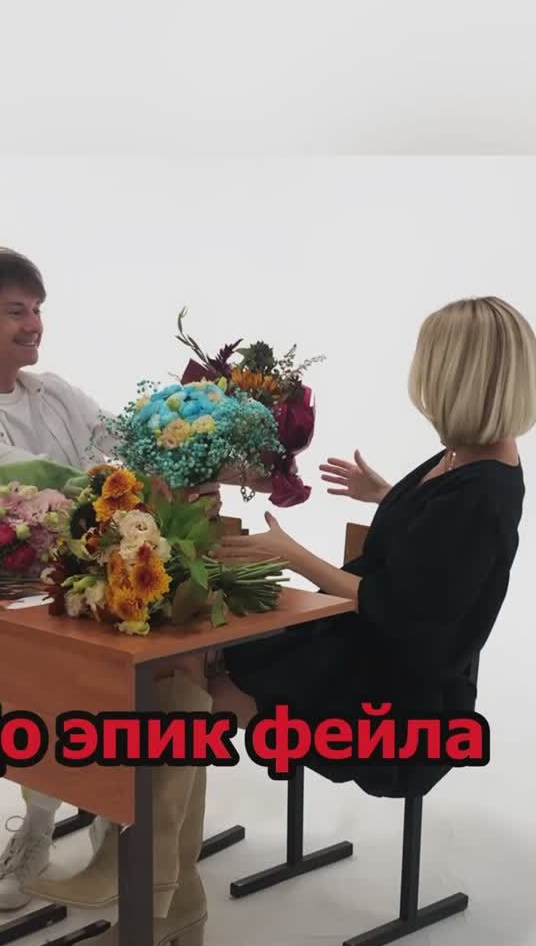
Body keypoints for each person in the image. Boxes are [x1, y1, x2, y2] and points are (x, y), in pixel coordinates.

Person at [0, 246, 272, 945]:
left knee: (181, 679)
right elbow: (60, 489)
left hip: (107, 586)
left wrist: (224, 456)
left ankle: (142, 863)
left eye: (37, 309)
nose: (33, 323)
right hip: (24, 616)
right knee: (98, 697)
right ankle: (52, 830)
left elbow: (132, 446)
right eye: (15, 311)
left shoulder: (54, 392)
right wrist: (156, 481)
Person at [209, 296, 534, 800]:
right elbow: (438, 541)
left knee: (204, 691)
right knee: (211, 649)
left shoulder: (481, 494)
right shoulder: (468, 453)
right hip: (368, 645)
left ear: (458, 379)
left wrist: (293, 555)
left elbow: (397, 608)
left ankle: (155, 845)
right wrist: (388, 494)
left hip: (399, 704)